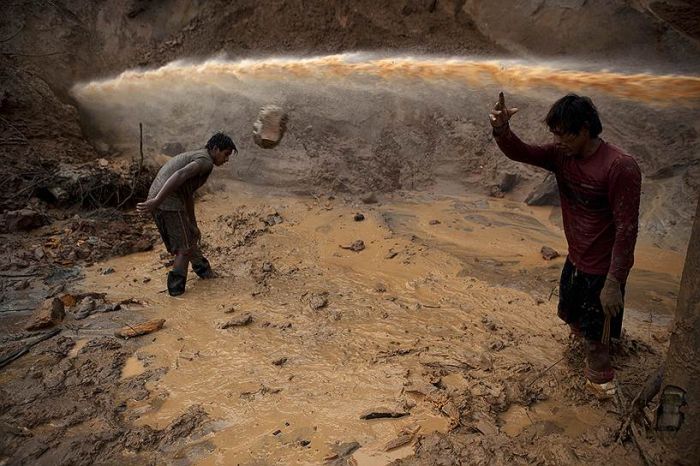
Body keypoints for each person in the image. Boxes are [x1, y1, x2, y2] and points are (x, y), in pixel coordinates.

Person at [489, 92, 641, 397]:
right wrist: (502, 130)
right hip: (575, 260)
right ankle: (585, 352)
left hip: (602, 269)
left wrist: (614, 281)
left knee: (598, 353)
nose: (557, 140)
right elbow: (522, 152)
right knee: (571, 319)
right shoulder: (562, 155)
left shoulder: (619, 167)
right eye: (554, 134)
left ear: (585, 129)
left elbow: (627, 229)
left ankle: (601, 394)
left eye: (564, 134)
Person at [137, 132, 237, 296]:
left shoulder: (200, 156)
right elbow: (180, 174)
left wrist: (193, 224)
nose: (226, 160)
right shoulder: (205, 162)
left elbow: (188, 193)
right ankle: (176, 293)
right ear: (215, 149)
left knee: (189, 237)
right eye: (225, 154)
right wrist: (156, 201)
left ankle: (205, 272)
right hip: (167, 202)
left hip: (164, 199)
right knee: (183, 249)